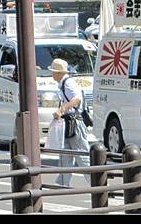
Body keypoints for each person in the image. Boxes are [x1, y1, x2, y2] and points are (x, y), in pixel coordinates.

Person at [49, 58, 91, 187]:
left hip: (74, 121)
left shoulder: (67, 83)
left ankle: (96, 182)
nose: (52, 74)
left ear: (58, 72)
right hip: (70, 121)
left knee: (81, 154)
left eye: (53, 71)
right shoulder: (64, 83)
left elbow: (76, 99)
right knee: (65, 152)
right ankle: (62, 182)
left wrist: (61, 110)